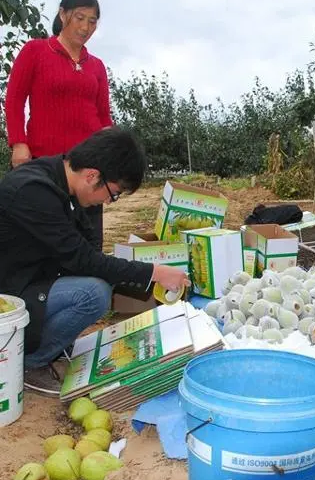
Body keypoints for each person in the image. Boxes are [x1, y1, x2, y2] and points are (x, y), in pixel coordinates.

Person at [0, 128, 190, 396]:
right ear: (92, 176)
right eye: (113, 194)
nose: (109, 202)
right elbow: (84, 260)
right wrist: (155, 272)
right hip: (10, 293)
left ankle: (49, 343)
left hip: (36, 278)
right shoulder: (34, 191)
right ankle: (31, 362)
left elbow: (91, 252)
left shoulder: (64, 185)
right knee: (93, 294)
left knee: (102, 279)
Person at [4, 0, 112, 250]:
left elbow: (103, 115)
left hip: (88, 168)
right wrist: (19, 143)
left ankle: (90, 288)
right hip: (47, 164)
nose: (86, 27)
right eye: (79, 17)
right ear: (63, 15)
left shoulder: (96, 65)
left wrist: (112, 156)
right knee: (44, 242)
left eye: (92, 21)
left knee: (88, 242)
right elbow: (14, 99)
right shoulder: (36, 51)